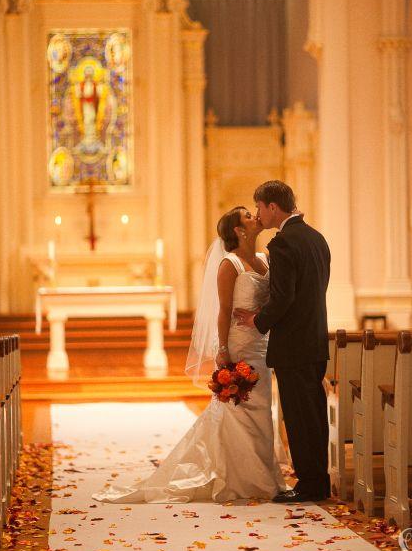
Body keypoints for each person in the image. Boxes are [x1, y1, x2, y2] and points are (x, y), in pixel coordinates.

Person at [92, 206, 288, 504]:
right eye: (247, 216)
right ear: (239, 230)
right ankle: (242, 478)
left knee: (262, 409)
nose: (254, 217)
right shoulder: (229, 264)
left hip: (261, 343)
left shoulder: (263, 259)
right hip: (239, 343)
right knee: (239, 408)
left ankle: (262, 475)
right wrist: (222, 349)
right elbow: (223, 311)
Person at [235, 180, 331, 503]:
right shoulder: (317, 239)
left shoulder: (283, 243)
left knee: (300, 417)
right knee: (313, 414)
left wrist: (256, 320)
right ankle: (318, 480)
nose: (258, 214)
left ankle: (310, 485)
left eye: (259, 207)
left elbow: (283, 296)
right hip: (315, 339)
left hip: (293, 344)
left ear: (272, 207)